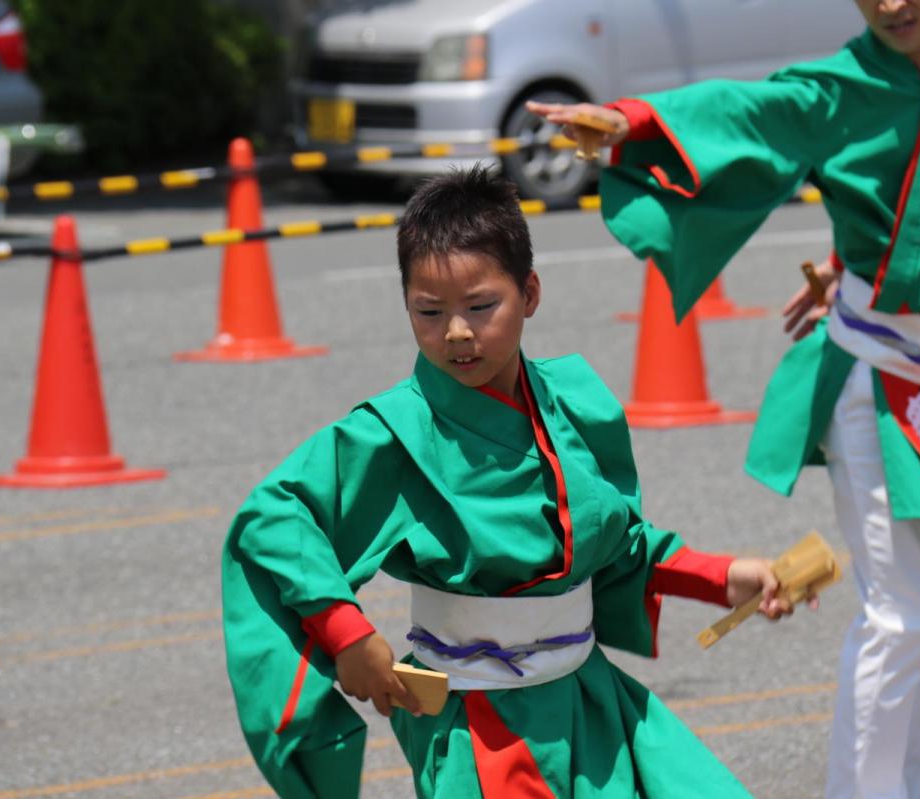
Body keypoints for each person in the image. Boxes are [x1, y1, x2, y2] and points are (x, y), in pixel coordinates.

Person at [527, 1, 920, 797]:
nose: (889, 4)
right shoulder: (843, 85)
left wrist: (856, 256)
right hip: (882, 379)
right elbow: (750, 110)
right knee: (905, 615)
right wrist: (630, 120)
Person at [222, 166, 803, 799]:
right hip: (478, 730)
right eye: (429, 311)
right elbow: (275, 515)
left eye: (480, 306)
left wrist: (722, 577)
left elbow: (617, 544)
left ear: (529, 293)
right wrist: (345, 631)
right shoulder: (391, 433)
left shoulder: (576, 401)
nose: (458, 333)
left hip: (589, 701)